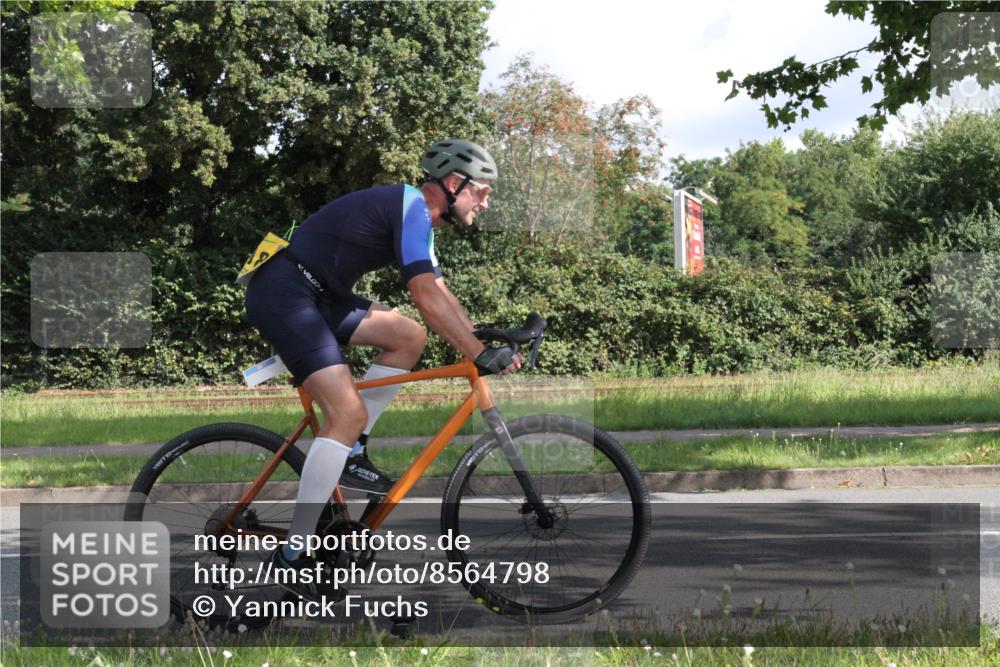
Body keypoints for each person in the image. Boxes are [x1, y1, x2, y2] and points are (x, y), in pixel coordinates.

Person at [243, 139, 521, 601]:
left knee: (408, 337)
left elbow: (439, 291)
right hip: (287, 294)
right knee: (345, 415)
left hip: (317, 295)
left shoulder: (420, 217)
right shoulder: (412, 206)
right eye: (482, 192)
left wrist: (480, 340)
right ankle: (293, 557)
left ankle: (352, 452)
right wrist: (474, 351)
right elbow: (423, 293)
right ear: (454, 184)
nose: (485, 203)